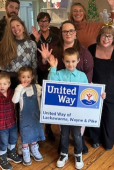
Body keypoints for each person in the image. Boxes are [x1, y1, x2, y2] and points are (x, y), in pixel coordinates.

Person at [38, 20, 93, 154]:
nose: (68, 33)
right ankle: (63, 145)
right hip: (61, 95)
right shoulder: (54, 49)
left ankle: (78, 143)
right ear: (61, 33)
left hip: (78, 93)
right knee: (63, 123)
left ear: (75, 33)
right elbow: (44, 68)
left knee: (79, 125)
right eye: (65, 31)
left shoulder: (84, 52)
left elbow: (89, 72)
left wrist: (87, 91)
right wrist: (45, 59)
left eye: (71, 31)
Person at [47, 48, 88, 170]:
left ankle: (78, 154)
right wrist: (53, 68)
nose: (70, 64)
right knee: (64, 134)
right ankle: (63, 154)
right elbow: (51, 86)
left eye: (73, 61)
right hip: (63, 113)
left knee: (77, 135)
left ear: (78, 61)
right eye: (68, 61)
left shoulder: (82, 76)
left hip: (77, 113)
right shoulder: (58, 74)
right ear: (63, 61)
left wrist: (100, 94)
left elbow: (88, 91)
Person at [30, 12, 59, 141]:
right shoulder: (33, 37)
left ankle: (48, 127)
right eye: (41, 21)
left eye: (46, 20)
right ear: (38, 22)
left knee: (50, 100)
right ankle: (39, 130)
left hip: (52, 71)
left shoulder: (56, 36)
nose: (44, 23)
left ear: (49, 22)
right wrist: (36, 41)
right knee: (39, 101)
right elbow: (31, 54)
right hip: (38, 72)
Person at [12, 66, 45, 166]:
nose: (26, 79)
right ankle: (26, 152)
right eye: (23, 77)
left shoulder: (37, 87)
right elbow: (14, 100)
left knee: (35, 135)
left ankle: (34, 150)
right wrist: (19, 88)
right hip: (25, 118)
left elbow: (46, 94)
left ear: (32, 77)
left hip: (36, 117)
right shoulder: (19, 89)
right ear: (19, 78)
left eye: (28, 77)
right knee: (25, 136)